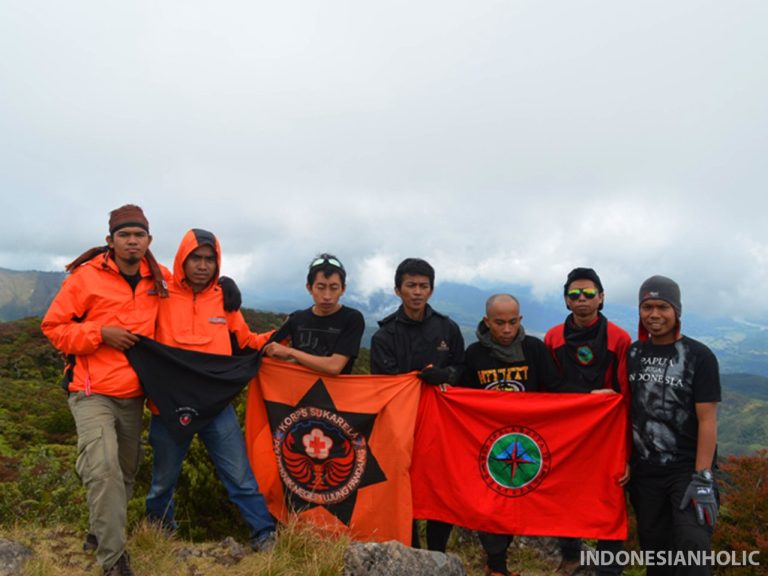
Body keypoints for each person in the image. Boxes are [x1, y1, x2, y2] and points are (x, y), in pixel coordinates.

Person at [41, 204, 169, 576]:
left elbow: (195, 291)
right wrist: (100, 333)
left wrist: (225, 292)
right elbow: (54, 327)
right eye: (124, 235)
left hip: (134, 393)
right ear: (110, 241)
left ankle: (99, 531)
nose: (132, 241)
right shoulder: (85, 278)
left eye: (139, 235)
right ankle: (113, 559)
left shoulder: (159, 279)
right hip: (90, 390)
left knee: (125, 471)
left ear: (149, 240)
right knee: (105, 469)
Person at [145, 228, 276, 552]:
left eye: (209, 259)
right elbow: (135, 257)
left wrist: (285, 332)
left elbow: (247, 341)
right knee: (162, 482)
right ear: (182, 259)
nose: (202, 265)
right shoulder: (160, 292)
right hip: (169, 406)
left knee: (240, 478)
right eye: (196, 258)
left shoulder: (223, 299)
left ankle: (264, 536)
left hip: (214, 405)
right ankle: (159, 538)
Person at [370, 257, 465, 552]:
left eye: (424, 286)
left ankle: (437, 554)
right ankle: (409, 550)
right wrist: (418, 383)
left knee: (442, 487)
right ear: (397, 289)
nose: (417, 292)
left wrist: (446, 375)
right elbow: (382, 386)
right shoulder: (384, 336)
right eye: (410, 285)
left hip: (441, 426)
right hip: (402, 426)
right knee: (404, 486)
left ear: (431, 290)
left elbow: (463, 369)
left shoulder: (448, 329)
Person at [627, 276, 720, 576]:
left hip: (687, 471)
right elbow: (626, 408)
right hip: (645, 473)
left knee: (693, 549)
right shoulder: (633, 354)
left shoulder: (699, 356)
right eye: (647, 307)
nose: (654, 314)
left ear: (676, 311)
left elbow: (707, 419)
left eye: (662, 307)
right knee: (656, 556)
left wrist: (703, 477)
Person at [462, 294, 560, 576]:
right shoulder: (474, 354)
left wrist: (593, 397)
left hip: (528, 443)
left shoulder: (534, 349)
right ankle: (497, 567)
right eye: (499, 323)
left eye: (513, 322)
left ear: (520, 319)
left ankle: (498, 564)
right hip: (489, 445)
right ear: (486, 321)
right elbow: (462, 396)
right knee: (491, 503)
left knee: (520, 501)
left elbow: (555, 389)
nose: (507, 329)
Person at [544, 267, 630, 576]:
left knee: (610, 497)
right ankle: (571, 555)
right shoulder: (553, 337)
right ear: (566, 300)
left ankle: (609, 568)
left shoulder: (619, 338)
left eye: (589, 293)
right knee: (564, 492)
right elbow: (549, 386)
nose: (582, 299)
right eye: (574, 294)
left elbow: (627, 393)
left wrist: (627, 450)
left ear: (601, 297)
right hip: (566, 432)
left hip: (607, 434)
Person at [263, 253, 364, 375]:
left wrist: (290, 352)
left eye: (334, 288)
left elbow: (334, 367)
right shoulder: (296, 319)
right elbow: (268, 352)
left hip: (333, 387)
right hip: (298, 385)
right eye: (321, 287)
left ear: (343, 289)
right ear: (309, 288)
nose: (327, 296)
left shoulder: (352, 318)